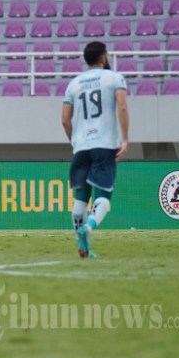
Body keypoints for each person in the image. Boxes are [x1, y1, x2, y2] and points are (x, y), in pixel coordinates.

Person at [62, 41, 129, 258]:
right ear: (103, 57)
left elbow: (64, 119)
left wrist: (74, 140)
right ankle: (87, 229)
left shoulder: (74, 84)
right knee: (103, 196)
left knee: (80, 199)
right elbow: (122, 105)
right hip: (104, 144)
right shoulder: (114, 78)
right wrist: (125, 138)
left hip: (81, 147)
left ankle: (83, 247)